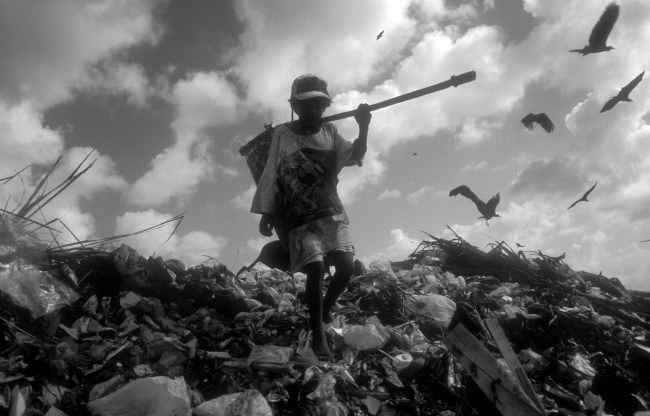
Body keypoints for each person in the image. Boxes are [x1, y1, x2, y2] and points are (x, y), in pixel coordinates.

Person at [250, 73, 371, 359]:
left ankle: (326, 308)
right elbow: (271, 172)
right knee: (315, 269)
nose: (313, 111)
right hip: (298, 215)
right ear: (293, 105)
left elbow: (355, 155)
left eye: (318, 106)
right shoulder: (283, 134)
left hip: (330, 210)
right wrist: (267, 212)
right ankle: (318, 335)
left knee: (346, 267)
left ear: (325, 107)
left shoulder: (329, 132)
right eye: (306, 106)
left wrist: (363, 126)